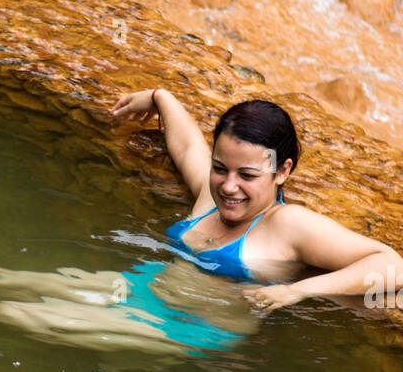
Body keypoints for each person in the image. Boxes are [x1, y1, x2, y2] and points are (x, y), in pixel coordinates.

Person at [110, 92, 403, 314]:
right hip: (145, 287)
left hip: (195, 324)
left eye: (247, 175)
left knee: (67, 320)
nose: (228, 186)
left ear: (282, 171)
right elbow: (188, 148)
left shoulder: (288, 224)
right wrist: (159, 97)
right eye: (220, 168)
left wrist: (296, 291)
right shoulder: (210, 198)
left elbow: (392, 266)